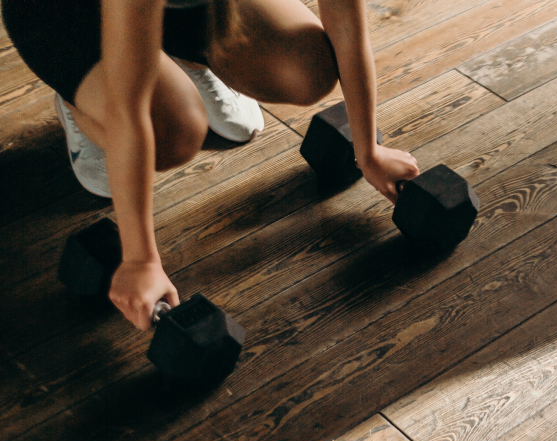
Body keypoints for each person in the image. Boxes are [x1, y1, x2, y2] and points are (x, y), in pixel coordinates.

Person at [2, 0, 419, 331]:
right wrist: (140, 261)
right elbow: (131, 108)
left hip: (174, 8)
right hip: (65, 13)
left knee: (306, 69)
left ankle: (192, 61)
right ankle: (81, 104)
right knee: (172, 134)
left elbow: (345, 25)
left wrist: (368, 150)